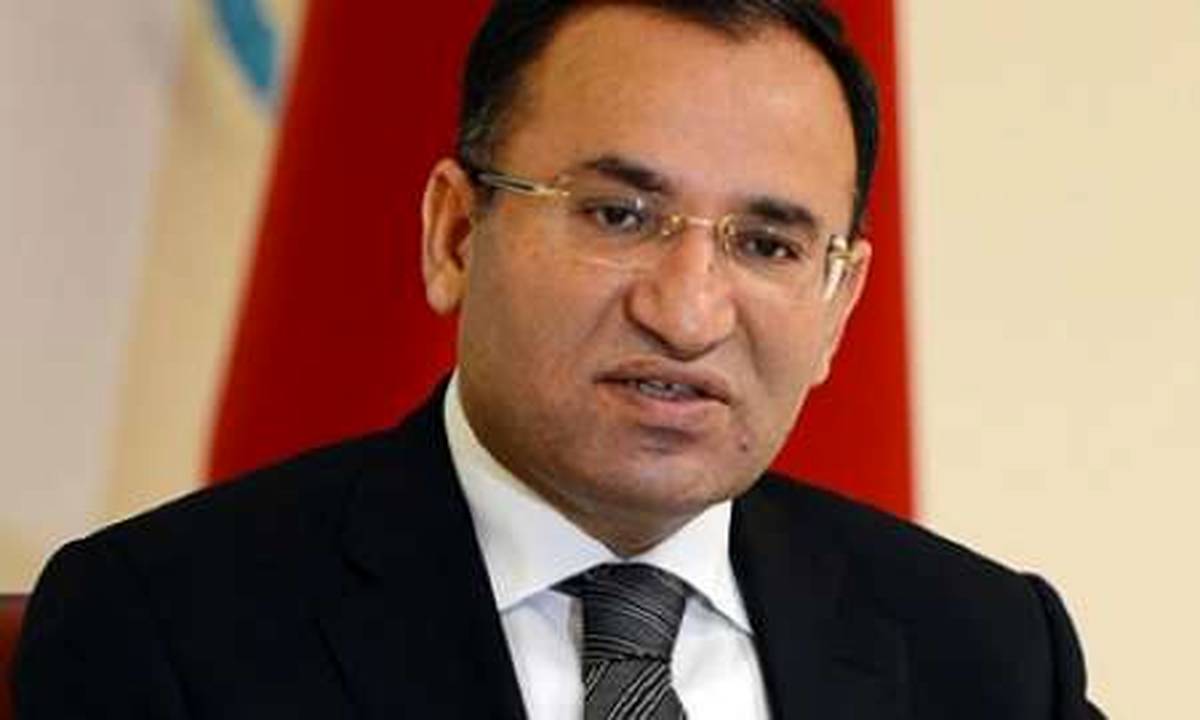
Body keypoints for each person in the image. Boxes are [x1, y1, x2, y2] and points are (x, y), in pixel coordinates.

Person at [13, 1, 1104, 718]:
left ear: (837, 304)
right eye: (619, 215)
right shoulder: (165, 629)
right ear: (455, 235)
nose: (688, 313)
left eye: (768, 245)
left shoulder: (990, 655)